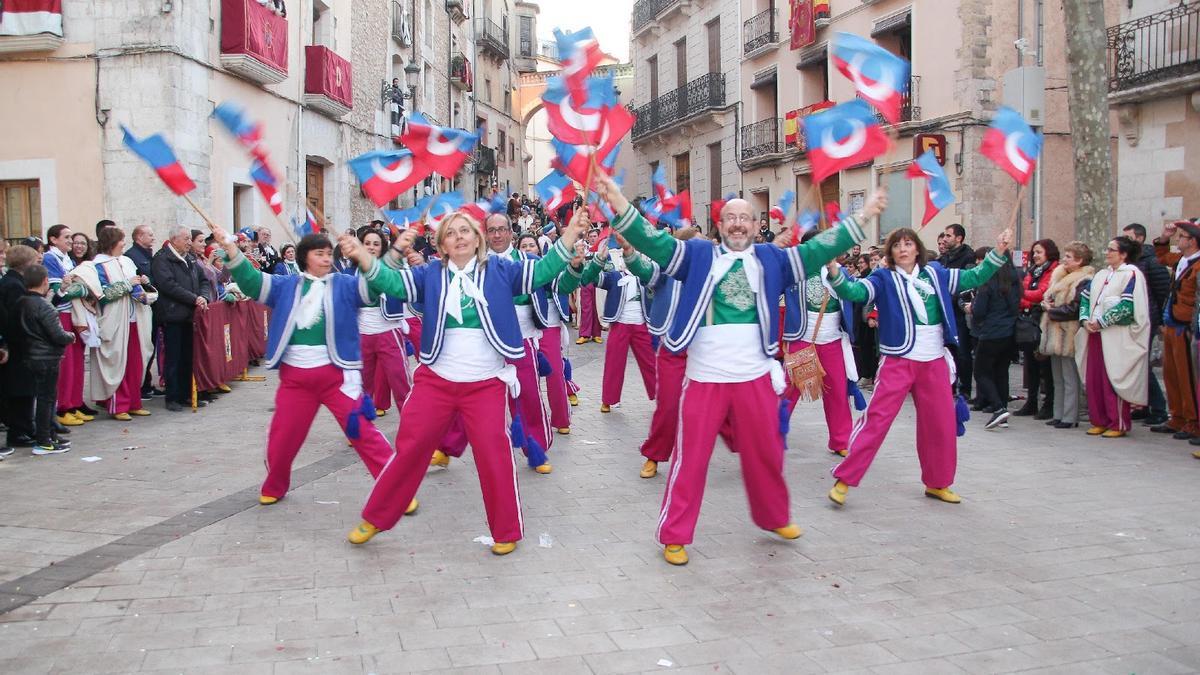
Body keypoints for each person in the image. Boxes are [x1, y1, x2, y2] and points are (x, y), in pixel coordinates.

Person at [593, 173, 874, 566]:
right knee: (690, 458)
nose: (738, 224)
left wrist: (860, 221)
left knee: (766, 450)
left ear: (757, 227)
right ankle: (674, 533)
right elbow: (651, 241)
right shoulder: (698, 256)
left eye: (746, 218)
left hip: (755, 378)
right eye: (731, 218)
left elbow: (816, 251)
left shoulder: (771, 259)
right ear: (720, 225)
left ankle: (774, 517)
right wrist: (619, 201)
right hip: (706, 378)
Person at [338, 208, 587, 554]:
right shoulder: (430, 275)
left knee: (494, 453)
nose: (459, 237)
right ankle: (377, 516)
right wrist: (364, 256)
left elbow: (543, 271)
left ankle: (506, 531)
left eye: (465, 231)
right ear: (442, 244)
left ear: (478, 238)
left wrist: (571, 234)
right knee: (410, 447)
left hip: (484, 384)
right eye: (451, 233)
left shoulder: (501, 269)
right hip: (436, 381)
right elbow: (392, 283)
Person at [210, 223, 399, 508]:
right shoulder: (286, 286)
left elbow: (373, 287)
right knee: (283, 438)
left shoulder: (344, 284)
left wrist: (364, 256)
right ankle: (275, 484)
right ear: (305, 257)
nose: (326, 258)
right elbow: (250, 281)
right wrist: (230, 247)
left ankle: (395, 486)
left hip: (337, 377)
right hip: (295, 380)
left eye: (328, 254)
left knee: (362, 430)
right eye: (319, 253)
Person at [825, 226, 1012, 507]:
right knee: (877, 420)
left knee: (940, 424)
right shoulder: (883, 278)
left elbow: (975, 276)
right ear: (890, 251)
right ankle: (845, 479)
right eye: (897, 244)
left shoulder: (936, 274)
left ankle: (938, 482)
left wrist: (999, 251)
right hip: (898, 360)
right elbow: (854, 291)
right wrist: (833, 269)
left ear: (917, 249)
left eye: (908, 243)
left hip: (934, 359)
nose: (903, 249)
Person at [781, 228, 860, 456]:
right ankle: (771, 434)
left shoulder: (839, 272)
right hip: (804, 339)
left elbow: (857, 292)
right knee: (791, 390)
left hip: (832, 339)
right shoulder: (796, 272)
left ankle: (841, 440)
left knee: (837, 390)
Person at [564, 234, 658, 414]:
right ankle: (609, 399)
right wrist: (599, 259)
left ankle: (660, 395)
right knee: (614, 363)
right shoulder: (615, 277)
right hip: (620, 324)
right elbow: (588, 278)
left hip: (642, 325)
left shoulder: (646, 276)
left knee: (650, 363)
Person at [73, 227, 157, 420]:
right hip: (114, 320)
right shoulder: (96, 266)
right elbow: (101, 294)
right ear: (111, 242)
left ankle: (134, 402)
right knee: (118, 361)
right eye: (121, 240)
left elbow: (136, 288)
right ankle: (119, 405)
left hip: (135, 318)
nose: (124, 243)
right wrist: (128, 284)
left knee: (135, 362)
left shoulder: (126, 261)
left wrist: (143, 284)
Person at [1078, 236, 1151, 439]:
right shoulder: (1101, 275)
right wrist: (1085, 319)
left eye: (1112, 249)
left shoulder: (1131, 274)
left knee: (1112, 377)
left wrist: (1102, 322)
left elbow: (1127, 306)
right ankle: (1098, 419)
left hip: (1116, 335)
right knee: (1094, 379)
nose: (1107, 253)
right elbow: (1085, 297)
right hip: (1095, 334)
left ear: (1123, 254)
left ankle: (1117, 421)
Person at [516, 232, 578, 434]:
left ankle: (561, 419)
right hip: (520, 332)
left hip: (548, 326)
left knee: (554, 373)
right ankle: (519, 423)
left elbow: (563, 284)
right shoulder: (514, 270)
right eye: (523, 246)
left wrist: (576, 265)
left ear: (539, 248)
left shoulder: (546, 267)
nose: (527, 249)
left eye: (531, 245)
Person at [355, 226, 415, 419]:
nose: (371, 247)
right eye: (367, 243)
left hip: (388, 331)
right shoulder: (352, 270)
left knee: (400, 381)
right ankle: (362, 426)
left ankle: (412, 424)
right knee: (362, 383)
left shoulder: (392, 267)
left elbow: (407, 287)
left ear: (382, 247)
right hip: (362, 333)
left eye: (376, 244)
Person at [151, 225, 211, 412]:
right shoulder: (162, 259)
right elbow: (168, 285)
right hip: (173, 314)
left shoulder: (190, 259)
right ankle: (173, 396)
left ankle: (186, 394)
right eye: (185, 239)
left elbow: (203, 280)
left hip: (190, 316)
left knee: (188, 357)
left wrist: (204, 296)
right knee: (173, 358)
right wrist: (194, 298)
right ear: (174, 239)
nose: (188, 242)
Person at [17, 264, 76, 455]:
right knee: (47, 399)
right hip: (46, 357)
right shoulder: (43, 306)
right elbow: (57, 334)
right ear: (44, 282)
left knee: (42, 398)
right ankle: (44, 440)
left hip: (30, 356)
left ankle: (48, 435)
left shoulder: (22, 302)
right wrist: (70, 336)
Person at [1151, 220, 1200, 441]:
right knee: (1171, 374)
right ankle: (1177, 415)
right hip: (1171, 324)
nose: (1177, 240)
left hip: (1185, 326)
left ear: (1192, 241)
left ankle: (1193, 420)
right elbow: (1161, 257)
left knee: (1187, 376)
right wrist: (1164, 237)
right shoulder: (1182, 259)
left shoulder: (1197, 264)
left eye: (1180, 236)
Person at [1039, 241, 1095, 429]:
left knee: (1070, 378)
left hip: (1069, 332)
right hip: (1055, 332)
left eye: (1068, 257)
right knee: (1057, 378)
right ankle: (1058, 413)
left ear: (1079, 261)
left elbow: (1076, 308)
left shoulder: (1084, 280)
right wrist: (1046, 304)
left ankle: (1070, 416)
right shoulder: (1060, 276)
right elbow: (1048, 297)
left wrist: (1052, 310)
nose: (1064, 260)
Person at [967, 246, 1021, 429]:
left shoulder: (989, 281)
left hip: (991, 331)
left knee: (981, 371)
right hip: (1009, 331)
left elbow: (980, 310)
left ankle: (998, 408)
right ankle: (1002, 411)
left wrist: (972, 309)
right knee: (1001, 372)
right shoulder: (1015, 280)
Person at [1123, 223, 1171, 426]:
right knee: (1135, 365)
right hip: (1132, 321)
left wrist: (1161, 321)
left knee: (1143, 365)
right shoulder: (1131, 262)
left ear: (1140, 238)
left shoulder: (1151, 262)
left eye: (1129, 237)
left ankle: (1159, 408)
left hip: (1148, 320)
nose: (1125, 240)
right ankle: (1142, 405)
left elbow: (1162, 292)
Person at [1, 245, 45, 451]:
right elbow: (12, 317)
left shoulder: (16, 282)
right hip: (18, 346)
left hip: (21, 345)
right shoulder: (12, 285)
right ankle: (19, 430)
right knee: (20, 389)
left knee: (27, 389)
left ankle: (26, 427)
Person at [1013, 239, 1058, 420]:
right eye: (1034, 252)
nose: (1036, 255)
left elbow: (1042, 293)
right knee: (1030, 364)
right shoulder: (1032, 271)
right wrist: (1026, 297)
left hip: (1045, 320)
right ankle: (1031, 401)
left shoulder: (1054, 271)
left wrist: (1024, 295)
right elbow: (1026, 294)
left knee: (1045, 365)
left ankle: (1049, 403)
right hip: (1030, 319)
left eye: (1039, 252)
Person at [940, 224, 975, 399]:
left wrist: (952, 299)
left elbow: (966, 285)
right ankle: (950, 385)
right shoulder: (944, 257)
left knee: (962, 351)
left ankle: (965, 388)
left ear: (959, 238)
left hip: (958, 311)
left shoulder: (968, 257)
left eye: (948, 235)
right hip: (946, 311)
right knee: (948, 349)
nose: (944, 239)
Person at [576, 228, 603, 344]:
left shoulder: (603, 250)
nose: (592, 238)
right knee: (585, 307)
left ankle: (596, 333)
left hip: (600, 282)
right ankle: (584, 334)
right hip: (586, 282)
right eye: (590, 236)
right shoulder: (584, 250)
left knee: (597, 308)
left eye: (594, 236)